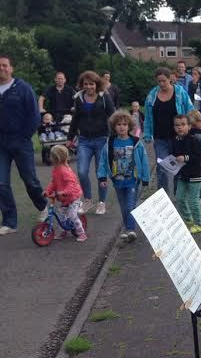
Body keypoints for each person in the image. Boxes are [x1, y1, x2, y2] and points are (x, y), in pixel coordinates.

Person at [0, 55, 47, 235]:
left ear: (11, 68)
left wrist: (24, 135)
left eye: (5, 65)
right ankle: (10, 221)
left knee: (30, 181)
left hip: (21, 141)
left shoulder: (22, 88)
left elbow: (34, 115)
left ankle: (43, 206)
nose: (2, 68)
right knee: (1, 183)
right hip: (1, 143)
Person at [67, 71, 115, 215]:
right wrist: (70, 137)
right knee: (81, 172)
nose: (88, 87)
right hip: (84, 141)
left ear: (97, 84)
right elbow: (75, 119)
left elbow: (112, 116)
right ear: (82, 85)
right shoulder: (79, 98)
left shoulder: (104, 97)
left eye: (91, 84)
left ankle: (101, 202)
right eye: (85, 84)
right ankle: (88, 200)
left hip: (101, 139)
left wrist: (116, 136)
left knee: (101, 173)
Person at [98, 110, 150, 242]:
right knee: (123, 206)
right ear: (114, 127)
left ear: (129, 126)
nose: (121, 127)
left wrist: (145, 178)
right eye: (119, 124)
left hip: (132, 180)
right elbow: (103, 161)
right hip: (117, 181)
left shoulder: (136, 142)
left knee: (130, 205)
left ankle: (131, 229)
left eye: (124, 124)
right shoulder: (110, 143)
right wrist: (102, 177)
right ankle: (128, 228)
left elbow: (144, 161)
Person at [143, 67, 193, 195]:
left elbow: (190, 110)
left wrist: (192, 127)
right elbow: (148, 116)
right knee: (162, 168)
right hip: (160, 138)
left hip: (178, 137)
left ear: (170, 78)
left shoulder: (180, 93)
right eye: (158, 81)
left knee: (178, 167)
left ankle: (179, 194)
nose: (161, 84)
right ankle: (163, 197)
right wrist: (147, 133)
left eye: (164, 81)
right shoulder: (152, 96)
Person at [44, 144, 87, 242]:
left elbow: (72, 184)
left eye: (51, 156)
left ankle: (81, 233)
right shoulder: (56, 169)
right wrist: (48, 191)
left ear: (56, 158)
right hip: (64, 198)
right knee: (61, 215)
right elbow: (54, 182)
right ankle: (63, 231)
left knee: (72, 215)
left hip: (73, 197)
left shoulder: (65, 171)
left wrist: (64, 191)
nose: (49, 157)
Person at [170, 114, 201, 233]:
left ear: (189, 126)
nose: (180, 127)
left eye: (183, 125)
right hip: (182, 174)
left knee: (193, 201)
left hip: (195, 175)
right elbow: (174, 154)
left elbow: (199, 157)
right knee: (179, 198)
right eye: (177, 125)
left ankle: (199, 224)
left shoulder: (194, 140)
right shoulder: (175, 140)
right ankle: (189, 221)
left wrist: (185, 157)